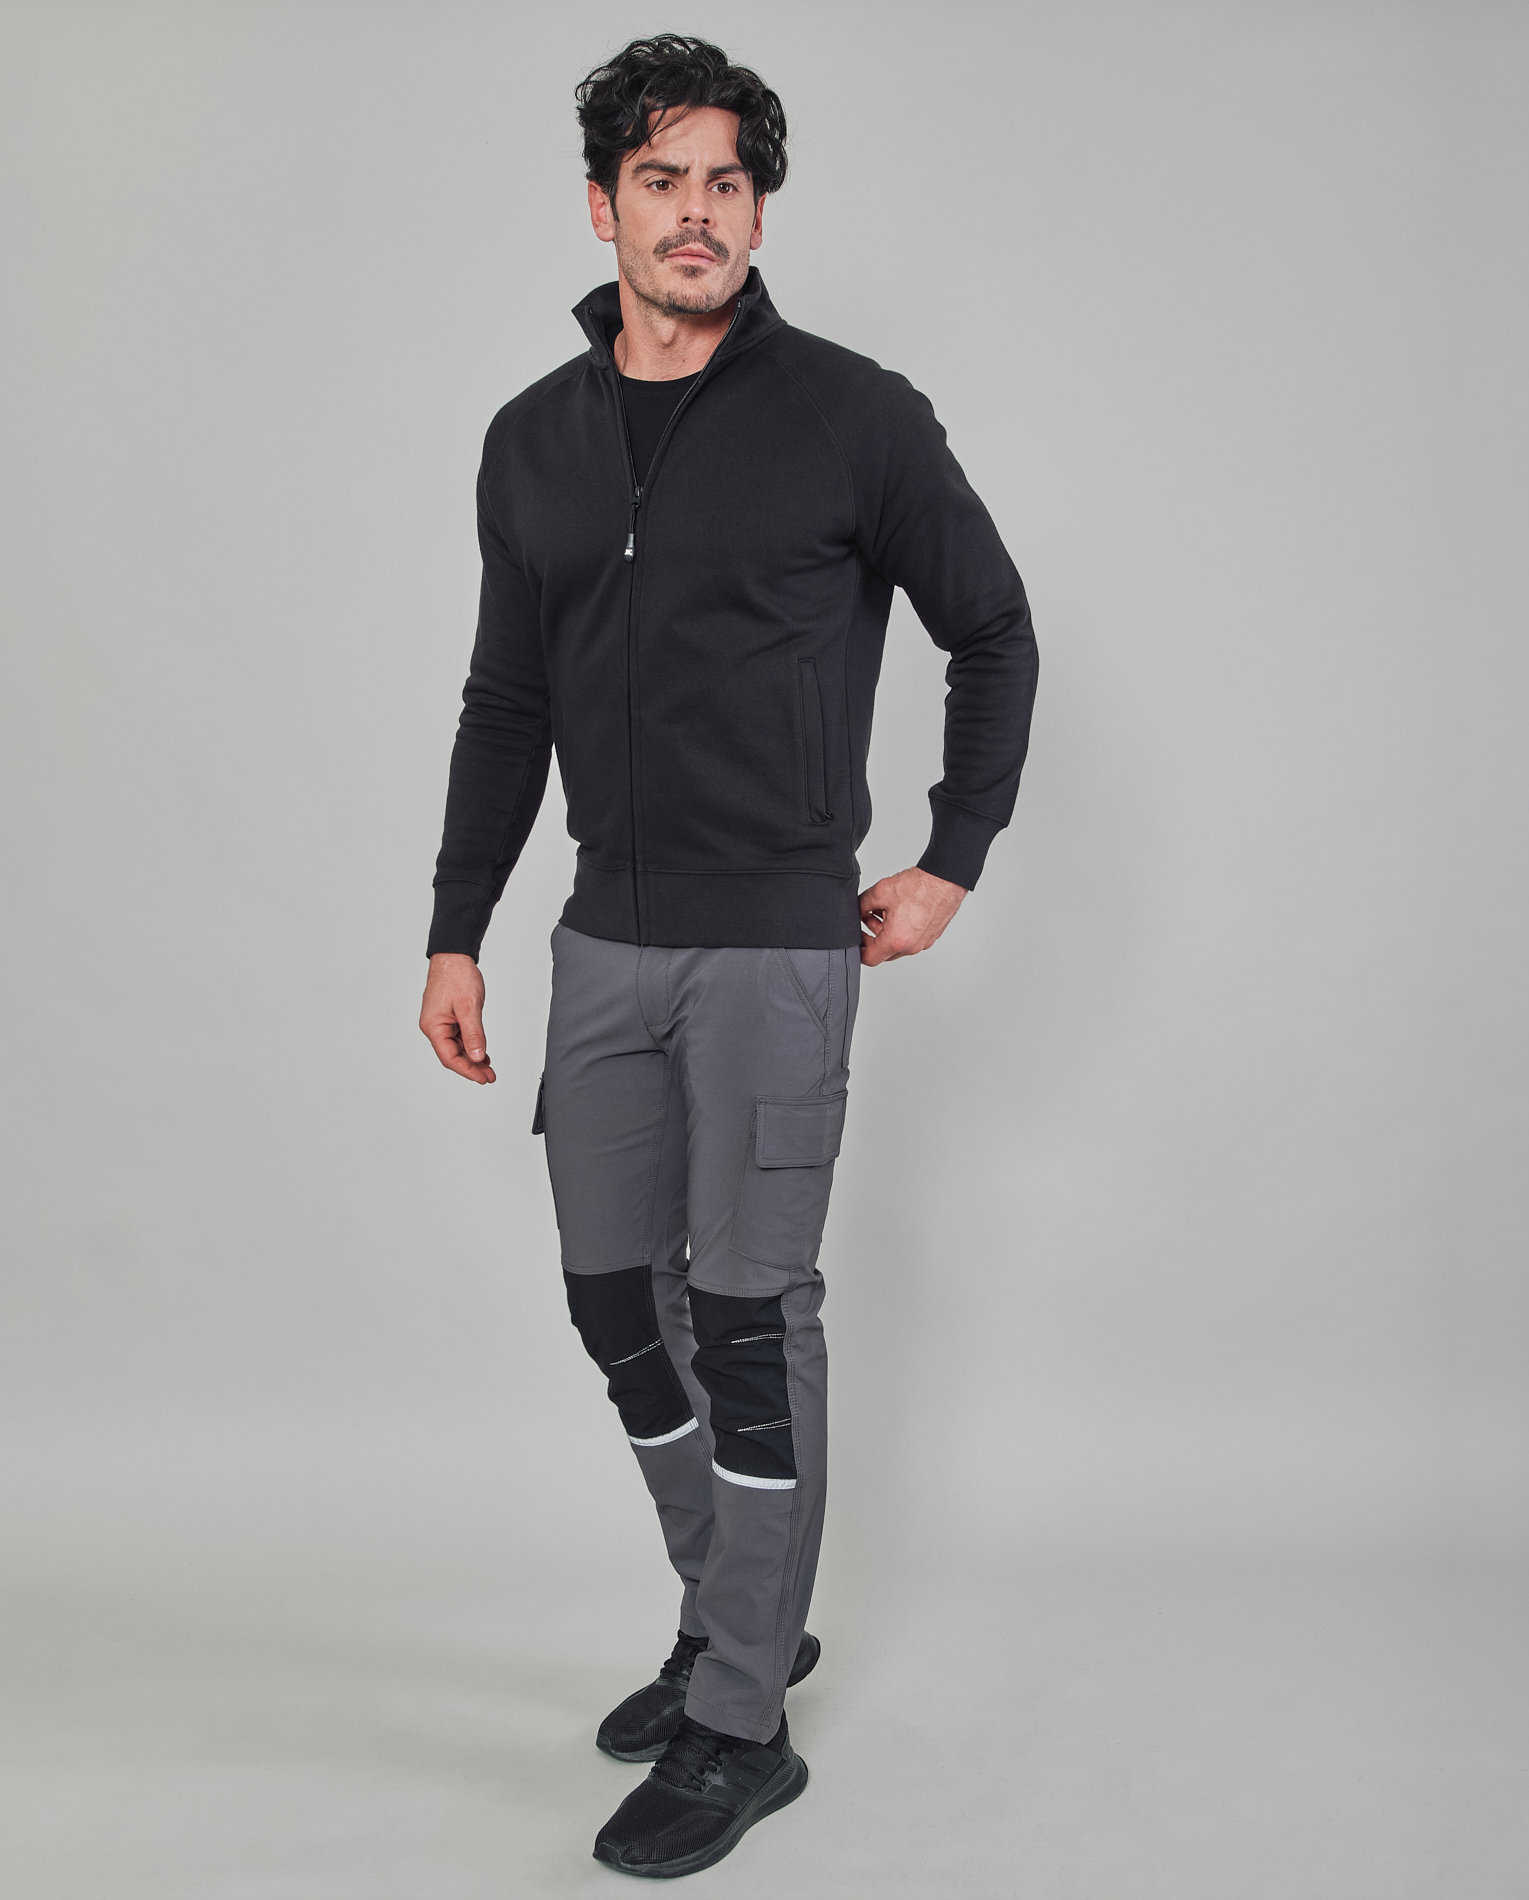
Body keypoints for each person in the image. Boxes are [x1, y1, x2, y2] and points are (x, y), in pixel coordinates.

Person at [419, 34, 1037, 1880]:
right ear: (601, 203)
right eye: (663, 180)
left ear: (759, 211)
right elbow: (505, 700)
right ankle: (737, 1620)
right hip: (601, 936)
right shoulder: (532, 439)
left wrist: (951, 859)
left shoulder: (853, 416)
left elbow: (993, 629)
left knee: (751, 1319)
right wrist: (455, 926)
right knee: (618, 1298)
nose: (697, 213)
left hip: (775, 941)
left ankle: (744, 1716)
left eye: (728, 183)